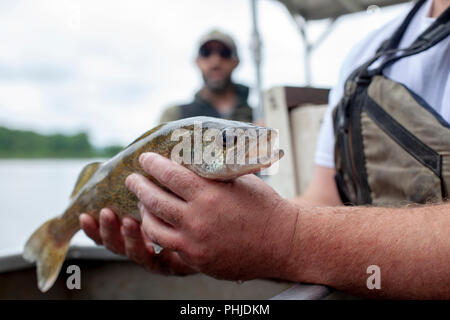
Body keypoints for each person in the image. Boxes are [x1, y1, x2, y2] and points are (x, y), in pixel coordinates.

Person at [79, 0, 450, 299]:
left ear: (235, 60)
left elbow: (289, 228)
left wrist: (281, 238)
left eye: (223, 52)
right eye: (207, 52)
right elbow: (323, 199)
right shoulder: (364, 57)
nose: (215, 60)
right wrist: (206, 242)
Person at [159, 29, 253, 123]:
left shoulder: (259, 116)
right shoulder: (175, 116)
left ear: (236, 62)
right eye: (206, 53)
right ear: (197, 61)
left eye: (224, 53)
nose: (215, 62)